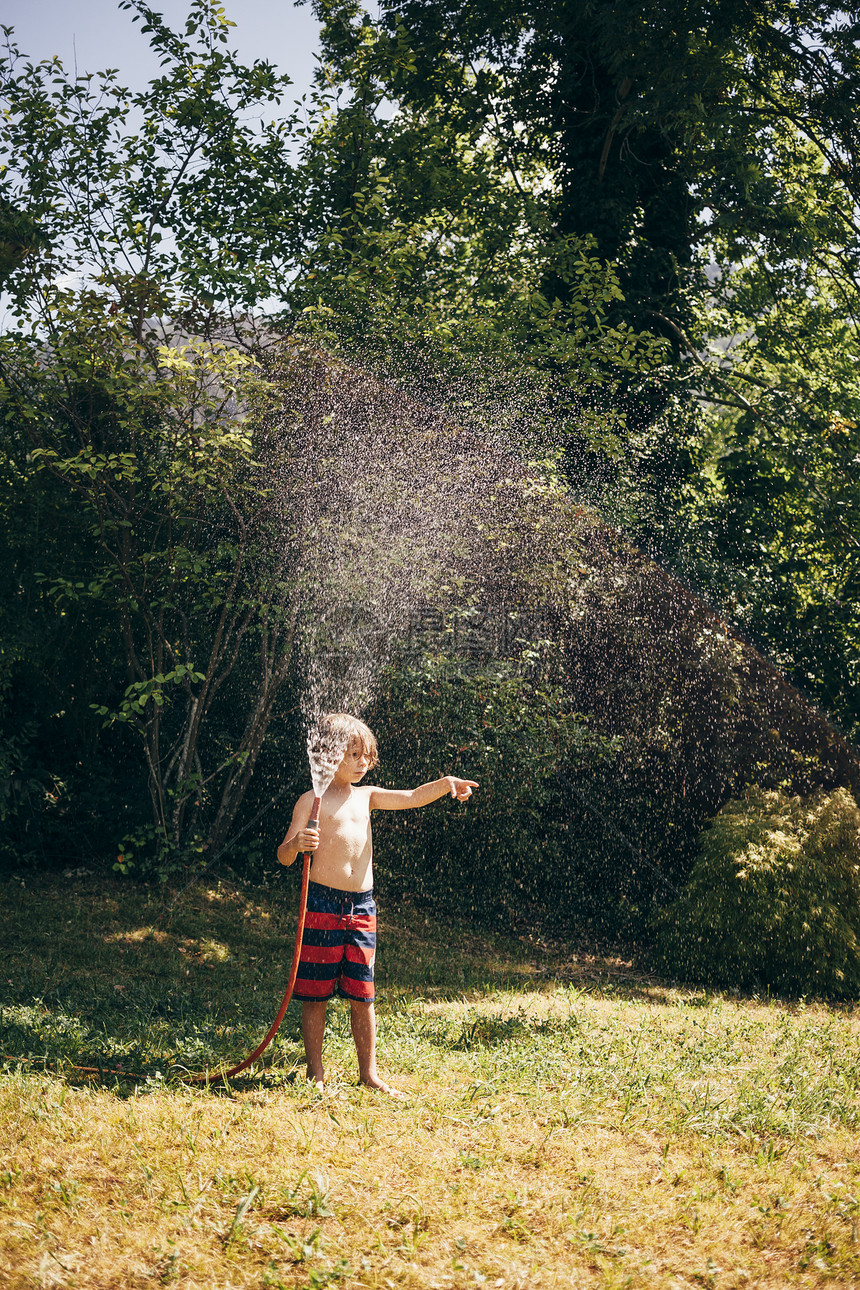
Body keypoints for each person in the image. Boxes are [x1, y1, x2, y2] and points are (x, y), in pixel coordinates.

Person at [277, 713, 478, 1096]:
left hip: (362, 907)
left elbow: (413, 796)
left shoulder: (367, 796)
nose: (362, 762)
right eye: (353, 754)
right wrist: (297, 844)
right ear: (329, 755)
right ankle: (315, 1071)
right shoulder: (311, 800)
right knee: (315, 992)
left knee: (362, 992)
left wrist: (446, 783)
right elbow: (284, 856)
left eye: (366, 756)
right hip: (321, 904)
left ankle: (368, 1072)